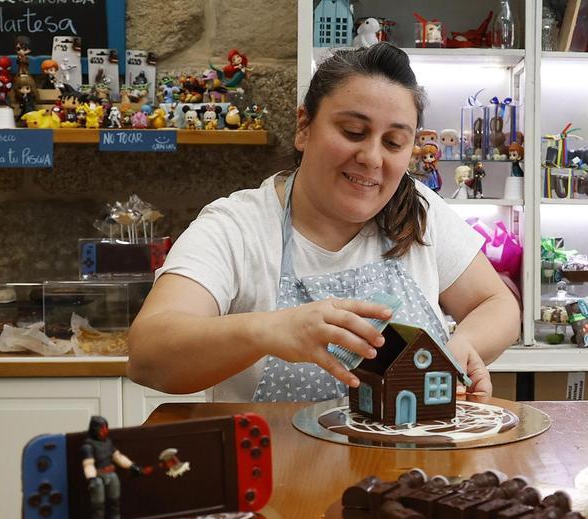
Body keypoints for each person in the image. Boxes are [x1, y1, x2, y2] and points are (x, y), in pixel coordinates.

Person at [128, 43, 519, 402]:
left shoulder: (420, 212)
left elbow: (497, 303)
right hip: (281, 476)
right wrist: (267, 331)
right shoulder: (236, 227)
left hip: (410, 472)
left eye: (394, 142)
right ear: (304, 126)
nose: (371, 157)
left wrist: (463, 345)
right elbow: (148, 354)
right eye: (353, 132)